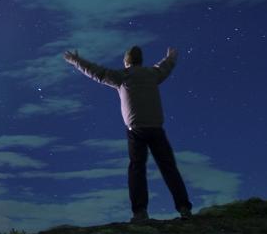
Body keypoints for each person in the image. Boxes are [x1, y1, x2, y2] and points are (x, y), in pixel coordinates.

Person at [64, 45, 192, 223]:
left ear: (126, 62)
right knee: (168, 168)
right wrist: (171, 57)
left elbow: (97, 72)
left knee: (137, 169)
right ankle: (184, 207)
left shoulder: (122, 76)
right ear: (140, 61)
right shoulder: (152, 74)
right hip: (156, 128)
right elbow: (165, 67)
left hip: (136, 130)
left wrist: (76, 61)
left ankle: (140, 212)